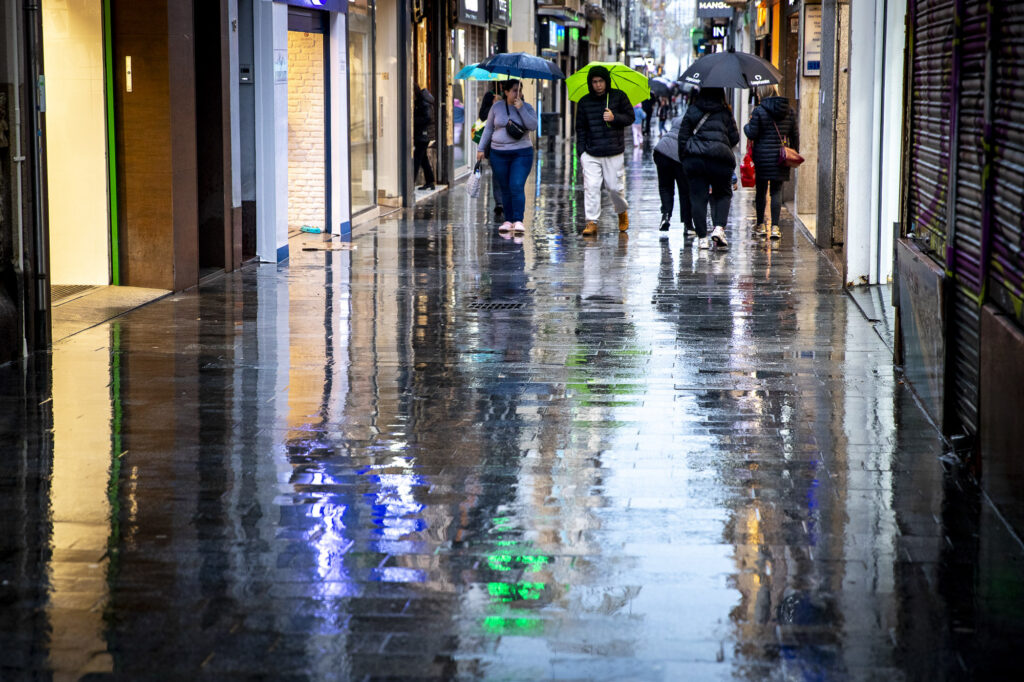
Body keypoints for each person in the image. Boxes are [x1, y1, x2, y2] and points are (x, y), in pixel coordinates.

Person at [575, 65, 635, 236]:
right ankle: (591, 221)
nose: (598, 85)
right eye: (594, 82)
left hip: (613, 151)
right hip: (591, 153)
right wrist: (581, 153)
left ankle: (622, 211)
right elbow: (580, 128)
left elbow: (630, 117)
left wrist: (614, 118)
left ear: (606, 82)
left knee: (614, 188)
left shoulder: (618, 96)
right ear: (590, 83)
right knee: (591, 186)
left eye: (601, 81)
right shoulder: (584, 102)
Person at [677, 86, 739, 249]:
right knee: (723, 193)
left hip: (696, 159)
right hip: (720, 159)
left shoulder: (692, 110)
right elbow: (735, 138)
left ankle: (702, 238)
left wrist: (685, 159)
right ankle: (719, 228)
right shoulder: (725, 112)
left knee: (698, 197)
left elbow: (682, 137)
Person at [477, 79, 538, 234]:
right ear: (506, 92)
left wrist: (521, 109)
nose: (518, 93)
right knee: (504, 188)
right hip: (499, 154)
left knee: (516, 185)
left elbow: (532, 126)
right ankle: (507, 220)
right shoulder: (496, 107)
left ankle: (518, 220)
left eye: (520, 90)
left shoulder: (527, 107)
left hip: (521, 153)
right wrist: (481, 148)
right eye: (514, 90)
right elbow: (488, 128)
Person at [744, 84, 799, 240]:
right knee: (776, 191)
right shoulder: (788, 110)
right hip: (781, 157)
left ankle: (760, 225)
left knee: (761, 191)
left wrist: (747, 126)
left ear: (762, 93)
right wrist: (794, 150)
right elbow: (794, 134)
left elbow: (752, 133)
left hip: (762, 157)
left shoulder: (759, 111)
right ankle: (775, 227)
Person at [653, 115, 694, 234]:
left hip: (661, 150)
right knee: (684, 190)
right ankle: (688, 225)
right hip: (678, 156)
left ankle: (665, 216)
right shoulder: (693, 122)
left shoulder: (677, 120)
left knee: (665, 187)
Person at [476, 90, 504, 220]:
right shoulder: (490, 108)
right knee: (497, 175)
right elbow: (486, 127)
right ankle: (499, 201)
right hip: (493, 147)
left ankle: (503, 200)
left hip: (505, 146)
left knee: (501, 176)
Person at [413, 85, 436, 190]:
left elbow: (427, 117)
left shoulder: (423, 102)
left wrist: (413, 120)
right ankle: (430, 181)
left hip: (423, 134)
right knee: (423, 159)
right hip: (423, 134)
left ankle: (410, 182)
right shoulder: (423, 100)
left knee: (417, 158)